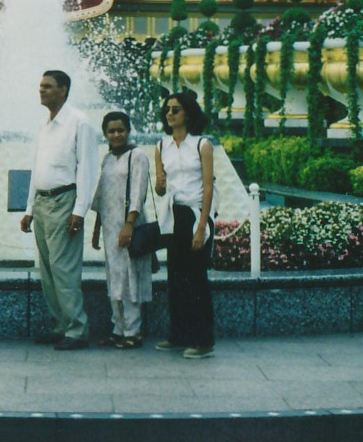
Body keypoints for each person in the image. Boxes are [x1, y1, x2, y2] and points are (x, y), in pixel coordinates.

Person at [19, 69, 99, 350]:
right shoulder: (44, 125)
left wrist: (80, 210)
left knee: (64, 269)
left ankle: (77, 330)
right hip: (42, 203)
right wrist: (29, 207)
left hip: (65, 201)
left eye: (48, 86)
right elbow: (36, 168)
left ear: (63, 89)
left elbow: (87, 169)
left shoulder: (80, 123)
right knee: (48, 271)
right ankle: (60, 325)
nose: (41, 90)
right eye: (40, 86)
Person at [155, 90, 216, 358]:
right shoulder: (160, 146)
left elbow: (208, 187)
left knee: (196, 279)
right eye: (167, 109)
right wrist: (159, 186)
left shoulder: (202, 144)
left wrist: (202, 226)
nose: (170, 114)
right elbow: (160, 189)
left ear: (188, 113)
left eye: (176, 109)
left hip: (196, 214)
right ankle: (178, 334)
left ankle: (203, 341)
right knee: (176, 278)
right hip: (173, 214)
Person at [90, 110, 153, 348]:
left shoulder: (137, 156)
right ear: (105, 133)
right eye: (111, 131)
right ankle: (118, 328)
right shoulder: (107, 159)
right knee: (114, 277)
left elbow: (139, 192)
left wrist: (129, 224)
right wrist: (97, 229)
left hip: (131, 226)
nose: (116, 135)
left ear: (128, 130)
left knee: (129, 278)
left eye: (120, 130)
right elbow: (101, 195)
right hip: (109, 228)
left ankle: (133, 331)